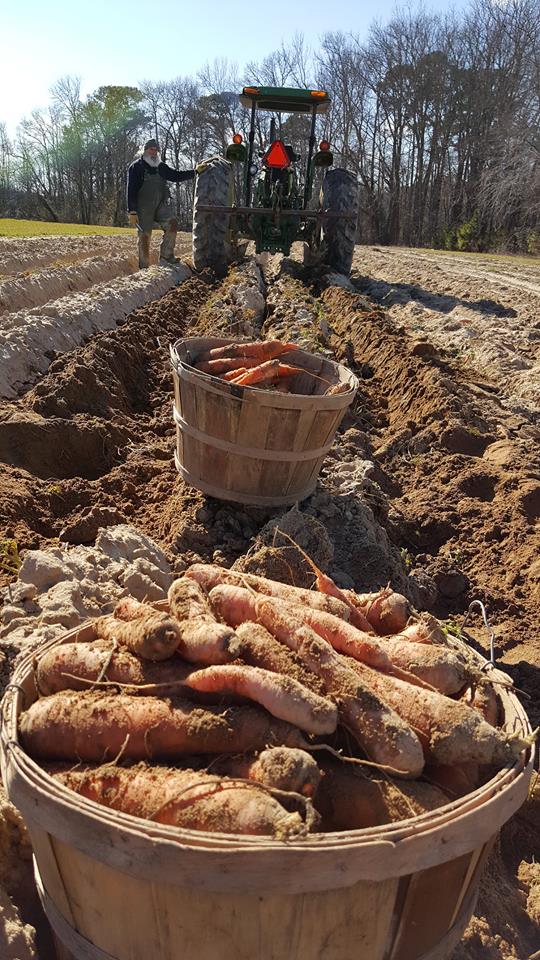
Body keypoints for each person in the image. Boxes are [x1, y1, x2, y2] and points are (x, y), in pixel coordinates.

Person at [127, 139, 201, 269]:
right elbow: (131, 189)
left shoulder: (161, 167)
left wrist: (195, 172)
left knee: (172, 223)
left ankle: (167, 256)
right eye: (151, 149)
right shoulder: (136, 166)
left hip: (160, 205)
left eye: (156, 150)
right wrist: (132, 210)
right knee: (145, 235)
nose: (154, 152)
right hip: (143, 207)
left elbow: (176, 176)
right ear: (145, 150)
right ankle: (144, 267)